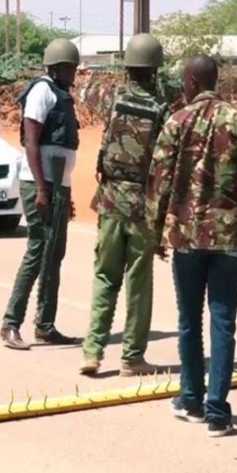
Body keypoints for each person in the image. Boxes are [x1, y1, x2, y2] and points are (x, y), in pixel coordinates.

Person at [145, 55, 237, 438]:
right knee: (223, 322)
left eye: (184, 80)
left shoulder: (176, 121)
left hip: (187, 239)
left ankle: (191, 399)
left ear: (192, 81)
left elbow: (159, 181)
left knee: (189, 321)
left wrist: (154, 233)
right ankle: (216, 411)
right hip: (230, 240)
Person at [79, 33, 170, 377]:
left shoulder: (113, 98)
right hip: (142, 205)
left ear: (129, 67)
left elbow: (86, 93)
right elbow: (165, 166)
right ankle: (132, 357)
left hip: (110, 200)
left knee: (104, 277)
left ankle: (92, 351)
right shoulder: (161, 109)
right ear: (155, 69)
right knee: (138, 282)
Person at [0, 38, 82, 350]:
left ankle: (45, 325)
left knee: (54, 256)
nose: (74, 73)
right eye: (70, 67)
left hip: (57, 184)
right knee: (37, 252)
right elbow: (31, 142)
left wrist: (64, 193)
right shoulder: (42, 92)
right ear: (57, 66)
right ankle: (10, 323)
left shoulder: (61, 95)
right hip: (40, 184)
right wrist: (43, 189)